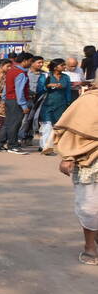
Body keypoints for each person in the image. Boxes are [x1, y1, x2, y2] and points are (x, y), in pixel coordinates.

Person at [54, 89, 98, 264]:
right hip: (91, 161)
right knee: (90, 208)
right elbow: (71, 131)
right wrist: (68, 156)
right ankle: (90, 246)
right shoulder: (88, 101)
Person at [0, 52, 32, 153]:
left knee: (8, 123)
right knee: (15, 124)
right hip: (16, 101)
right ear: (25, 61)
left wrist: (4, 98)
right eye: (30, 61)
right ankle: (13, 145)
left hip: (10, 100)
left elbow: (7, 87)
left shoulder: (11, 71)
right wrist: (23, 105)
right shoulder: (20, 73)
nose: (30, 64)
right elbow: (19, 91)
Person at [38, 58, 72, 155]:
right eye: (62, 65)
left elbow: (68, 91)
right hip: (47, 104)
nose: (65, 67)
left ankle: (53, 145)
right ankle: (45, 147)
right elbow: (40, 89)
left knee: (57, 126)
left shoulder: (66, 77)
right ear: (55, 67)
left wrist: (69, 103)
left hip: (61, 104)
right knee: (47, 125)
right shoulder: (45, 76)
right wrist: (48, 86)